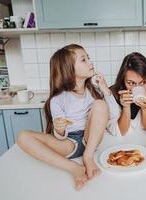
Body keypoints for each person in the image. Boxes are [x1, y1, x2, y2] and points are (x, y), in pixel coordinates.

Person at [17, 44, 108, 190]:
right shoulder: (58, 100)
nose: (90, 62)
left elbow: (107, 115)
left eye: (88, 58)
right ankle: (73, 167)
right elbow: (59, 136)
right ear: (69, 69)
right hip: (68, 143)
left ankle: (88, 157)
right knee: (23, 136)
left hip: (89, 140)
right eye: (84, 60)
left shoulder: (94, 91)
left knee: (101, 105)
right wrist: (59, 130)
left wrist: (104, 87)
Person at [95, 52, 146, 136]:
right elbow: (120, 132)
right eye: (131, 83)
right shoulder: (112, 94)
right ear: (123, 81)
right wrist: (126, 107)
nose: (137, 87)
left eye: (143, 82)